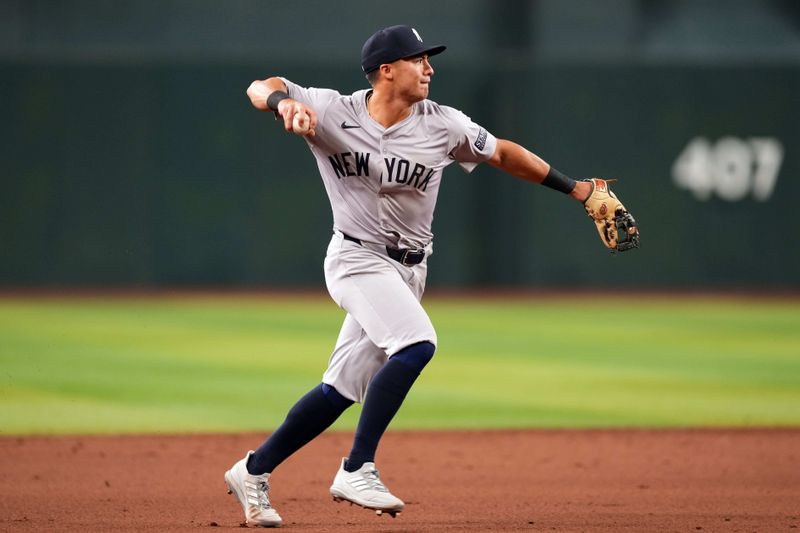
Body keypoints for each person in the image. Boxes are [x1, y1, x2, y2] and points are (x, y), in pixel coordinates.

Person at [224, 24, 633, 528]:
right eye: (419, 59)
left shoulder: (445, 125)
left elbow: (503, 153)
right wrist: (284, 103)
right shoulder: (332, 111)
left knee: (340, 390)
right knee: (417, 342)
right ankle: (357, 467)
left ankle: (253, 471)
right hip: (355, 258)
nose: (430, 68)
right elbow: (260, 86)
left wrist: (578, 191)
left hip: (409, 270)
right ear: (386, 70)